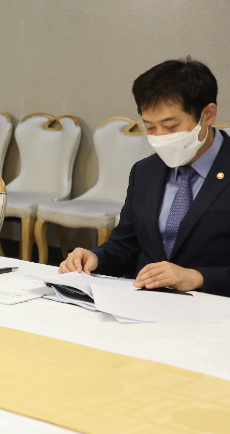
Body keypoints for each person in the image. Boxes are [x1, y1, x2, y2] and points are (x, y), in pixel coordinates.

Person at [59, 57, 230, 297]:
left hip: (214, 309)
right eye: (150, 128)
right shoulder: (145, 171)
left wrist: (197, 277)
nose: (160, 137)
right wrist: (95, 258)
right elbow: (126, 244)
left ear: (208, 115)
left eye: (170, 127)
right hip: (143, 305)